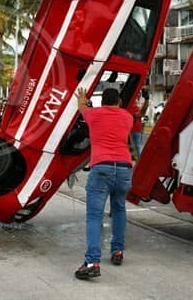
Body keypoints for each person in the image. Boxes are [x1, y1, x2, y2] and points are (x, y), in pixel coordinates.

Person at [74, 87, 133, 280]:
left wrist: (83, 99)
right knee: (119, 209)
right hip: (124, 168)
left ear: (102, 102)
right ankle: (117, 251)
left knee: (94, 216)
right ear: (119, 102)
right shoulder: (127, 117)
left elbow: (82, 108)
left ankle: (92, 262)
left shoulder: (94, 114)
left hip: (101, 168)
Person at [128, 89, 149, 159]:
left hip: (136, 129)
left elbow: (141, 114)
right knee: (135, 146)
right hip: (131, 130)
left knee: (136, 146)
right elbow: (141, 114)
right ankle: (137, 159)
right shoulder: (131, 105)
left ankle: (137, 159)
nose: (138, 96)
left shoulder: (137, 105)